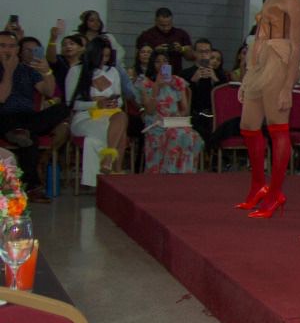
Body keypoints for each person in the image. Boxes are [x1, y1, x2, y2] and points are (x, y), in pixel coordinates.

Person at [236, 0, 300, 217]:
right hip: (260, 62)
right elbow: (259, 37)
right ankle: (258, 186)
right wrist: (248, 74)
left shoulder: (293, 1)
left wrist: (288, 86)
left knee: (277, 128)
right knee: (248, 126)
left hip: (279, 62)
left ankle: (275, 193)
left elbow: (297, 44)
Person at [0, 30, 68, 200]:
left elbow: (48, 91)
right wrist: (8, 71)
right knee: (30, 139)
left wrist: (47, 72)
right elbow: (2, 97)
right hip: (3, 115)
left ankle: (19, 131)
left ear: (17, 49)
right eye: (3, 46)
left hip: (28, 117)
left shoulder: (27, 69)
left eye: (11, 46)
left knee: (62, 108)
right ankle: (32, 187)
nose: (7, 50)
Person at [66, 36, 128, 191]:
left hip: (109, 115)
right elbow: (71, 103)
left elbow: (120, 100)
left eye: (107, 56)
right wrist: (95, 103)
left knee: (121, 116)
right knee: (120, 131)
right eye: (101, 56)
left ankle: (107, 161)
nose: (104, 60)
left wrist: (113, 102)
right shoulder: (76, 71)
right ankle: (115, 170)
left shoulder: (112, 71)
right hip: (85, 117)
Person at [140, 49, 203, 173]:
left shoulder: (178, 81)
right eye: (158, 61)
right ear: (152, 64)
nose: (162, 65)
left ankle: (184, 173)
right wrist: (156, 87)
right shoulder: (146, 83)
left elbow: (185, 110)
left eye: (165, 61)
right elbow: (149, 110)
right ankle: (168, 172)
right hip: (156, 124)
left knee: (191, 135)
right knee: (176, 135)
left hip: (174, 122)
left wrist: (177, 116)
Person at [181, 38, 229, 145]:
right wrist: (193, 81)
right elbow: (182, 98)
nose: (204, 55)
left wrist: (215, 80)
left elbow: (225, 99)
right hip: (194, 115)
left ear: (210, 53)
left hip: (214, 115)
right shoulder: (185, 74)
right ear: (194, 53)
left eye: (207, 52)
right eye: (200, 52)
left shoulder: (220, 74)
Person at [136, 7, 194, 73]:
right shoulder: (146, 36)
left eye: (169, 24)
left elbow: (192, 58)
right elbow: (138, 59)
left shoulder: (181, 34)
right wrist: (154, 51)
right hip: (152, 75)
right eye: (162, 25)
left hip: (176, 73)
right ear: (156, 21)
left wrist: (181, 49)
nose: (166, 28)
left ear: (172, 20)